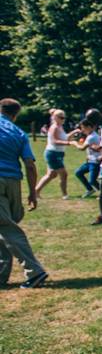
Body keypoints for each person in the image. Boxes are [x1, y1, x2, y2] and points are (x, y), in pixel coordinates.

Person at [0, 98, 48, 288]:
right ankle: (1, 274)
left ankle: (35, 271)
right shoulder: (19, 133)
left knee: (6, 227)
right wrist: (32, 192)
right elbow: (29, 165)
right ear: (16, 113)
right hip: (13, 182)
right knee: (3, 226)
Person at [34, 109, 71, 200]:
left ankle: (35, 191)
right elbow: (55, 141)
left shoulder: (60, 127)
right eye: (61, 117)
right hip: (53, 153)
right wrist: (69, 143)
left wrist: (75, 132)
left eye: (64, 117)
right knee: (64, 174)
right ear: (55, 118)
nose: (63, 119)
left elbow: (65, 138)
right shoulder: (54, 127)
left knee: (51, 175)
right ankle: (65, 195)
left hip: (57, 153)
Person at [71, 119, 102, 197]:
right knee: (78, 172)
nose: (82, 130)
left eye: (83, 128)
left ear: (89, 127)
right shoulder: (92, 135)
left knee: (92, 181)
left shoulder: (91, 137)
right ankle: (90, 189)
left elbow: (82, 148)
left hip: (95, 162)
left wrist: (75, 143)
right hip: (90, 161)